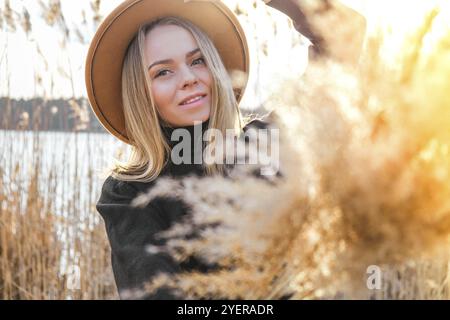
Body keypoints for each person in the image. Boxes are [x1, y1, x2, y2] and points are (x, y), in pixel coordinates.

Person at [86, 0, 365, 299]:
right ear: (140, 92)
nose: (189, 78)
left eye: (197, 61)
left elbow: (342, 34)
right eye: (163, 72)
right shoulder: (128, 193)